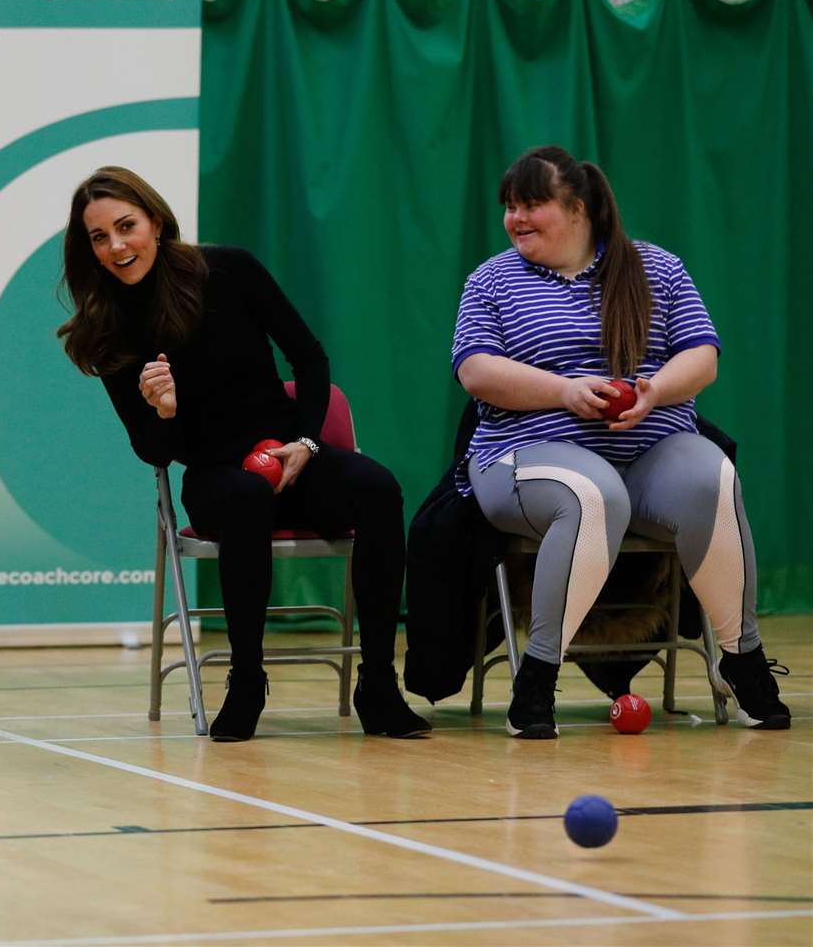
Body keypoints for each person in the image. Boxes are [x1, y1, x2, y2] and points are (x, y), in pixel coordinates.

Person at [58, 166, 430, 740]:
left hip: (291, 458)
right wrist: (163, 410)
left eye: (126, 226)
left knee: (378, 487)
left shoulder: (227, 270)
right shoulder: (105, 327)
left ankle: (378, 683)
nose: (116, 246)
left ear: (155, 221)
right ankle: (246, 681)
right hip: (215, 478)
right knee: (244, 497)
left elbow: (310, 360)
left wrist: (306, 443)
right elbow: (153, 451)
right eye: (99, 237)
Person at [453, 145, 790, 737]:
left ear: (578, 208)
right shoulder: (492, 279)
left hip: (649, 447)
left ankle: (743, 660)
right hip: (521, 453)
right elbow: (476, 371)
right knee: (591, 494)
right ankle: (536, 679)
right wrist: (564, 391)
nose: (516, 219)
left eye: (532, 205)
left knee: (713, 478)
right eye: (510, 206)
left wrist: (653, 391)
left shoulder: (657, 268)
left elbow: (702, 356)